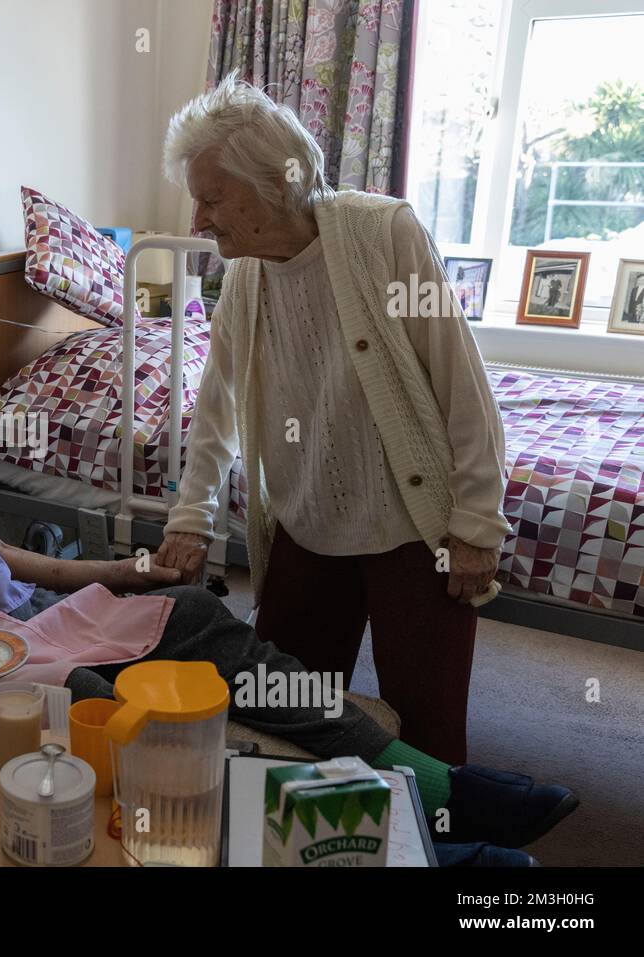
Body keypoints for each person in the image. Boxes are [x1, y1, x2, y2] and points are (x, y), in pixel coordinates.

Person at [0, 306, 576, 861]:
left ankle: (437, 787)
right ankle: (376, 837)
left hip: (24, 615)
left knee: (196, 612)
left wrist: (129, 574)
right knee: (117, 712)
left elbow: (2, 555)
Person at [157, 73, 511, 766]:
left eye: (211, 197)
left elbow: (462, 386)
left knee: (429, 734)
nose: (197, 220)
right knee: (287, 716)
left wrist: (477, 523)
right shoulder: (245, 276)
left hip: (416, 530)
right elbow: (216, 408)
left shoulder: (385, 234)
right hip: (306, 523)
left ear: (272, 184)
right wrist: (191, 515)